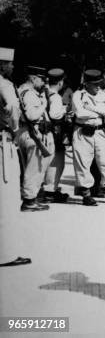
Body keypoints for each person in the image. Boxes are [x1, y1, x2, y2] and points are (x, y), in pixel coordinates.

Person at [72, 70, 105, 206]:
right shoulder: (78, 95)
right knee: (83, 163)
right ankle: (86, 195)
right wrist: (98, 111)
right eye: (94, 84)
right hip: (83, 132)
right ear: (87, 84)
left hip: (100, 132)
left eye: (99, 84)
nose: (98, 87)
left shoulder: (102, 94)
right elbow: (80, 113)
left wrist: (92, 108)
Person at [0, 47, 31, 267]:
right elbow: (12, 109)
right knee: (7, 198)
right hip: (3, 143)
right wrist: (13, 127)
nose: (12, 67)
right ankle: (6, 253)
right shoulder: (4, 85)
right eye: (9, 64)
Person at [17, 65, 54, 212]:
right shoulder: (29, 93)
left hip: (29, 132)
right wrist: (44, 103)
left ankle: (30, 197)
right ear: (33, 78)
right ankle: (29, 200)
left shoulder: (24, 91)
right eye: (41, 79)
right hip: (34, 133)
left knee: (32, 168)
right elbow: (32, 116)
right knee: (35, 168)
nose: (44, 83)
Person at [40, 68, 70, 202]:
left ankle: (45, 188)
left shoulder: (42, 93)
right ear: (60, 83)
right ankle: (50, 190)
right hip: (55, 132)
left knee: (44, 162)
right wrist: (65, 113)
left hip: (42, 131)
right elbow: (54, 115)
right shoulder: (56, 97)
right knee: (57, 162)